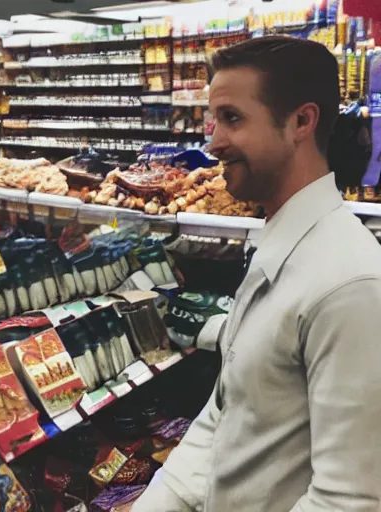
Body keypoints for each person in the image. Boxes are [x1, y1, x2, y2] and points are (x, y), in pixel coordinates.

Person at [132, 35, 381, 511]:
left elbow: (347, 500)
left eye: (232, 119)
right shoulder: (278, 245)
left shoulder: (351, 286)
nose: (213, 141)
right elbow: (226, 413)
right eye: (214, 119)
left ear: (301, 122)